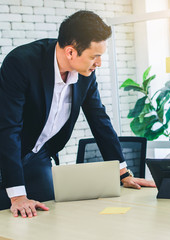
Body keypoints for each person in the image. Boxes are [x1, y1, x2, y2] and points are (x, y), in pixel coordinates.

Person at [0, 10, 155, 217]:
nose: (98, 63)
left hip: (38, 156)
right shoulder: (21, 63)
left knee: (48, 213)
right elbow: (9, 128)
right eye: (95, 57)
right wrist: (18, 195)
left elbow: (99, 119)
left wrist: (123, 173)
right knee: (11, 215)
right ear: (71, 52)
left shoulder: (86, 74)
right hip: (6, 152)